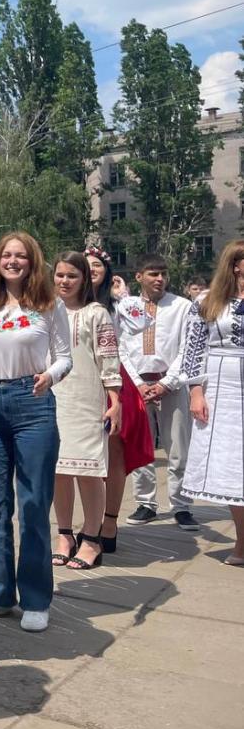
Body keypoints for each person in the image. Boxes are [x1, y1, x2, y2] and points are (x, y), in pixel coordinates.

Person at [0, 232, 71, 633]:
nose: (13, 261)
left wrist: (50, 376)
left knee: (33, 505)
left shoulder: (49, 304)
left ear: (32, 263)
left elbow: (65, 358)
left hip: (33, 404)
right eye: (7, 255)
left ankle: (35, 597)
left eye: (21, 256)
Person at [49, 252, 122, 571]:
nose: (65, 281)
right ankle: (64, 535)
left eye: (72, 276)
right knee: (59, 470)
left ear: (84, 280)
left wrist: (115, 402)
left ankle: (92, 538)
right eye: (60, 275)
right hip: (52, 397)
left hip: (87, 399)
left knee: (89, 470)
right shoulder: (46, 310)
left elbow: (109, 359)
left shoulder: (96, 313)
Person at [84, 247, 154, 554]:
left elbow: (143, 323)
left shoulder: (117, 305)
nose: (92, 270)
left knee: (114, 452)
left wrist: (123, 294)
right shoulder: (68, 302)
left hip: (113, 380)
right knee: (83, 456)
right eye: (86, 265)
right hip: (80, 380)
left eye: (97, 265)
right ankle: (89, 521)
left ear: (107, 271)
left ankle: (109, 520)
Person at [121, 254, 197, 531]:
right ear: (139, 276)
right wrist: (137, 383)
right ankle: (146, 503)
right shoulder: (126, 307)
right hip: (138, 386)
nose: (160, 278)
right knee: (142, 448)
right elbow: (120, 347)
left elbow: (188, 348)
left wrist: (167, 383)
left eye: (163, 273)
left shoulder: (182, 306)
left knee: (178, 448)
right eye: (153, 273)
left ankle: (181, 505)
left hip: (171, 385)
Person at [181, 241, 244, 563]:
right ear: (236, 264)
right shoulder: (208, 301)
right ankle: (243, 542)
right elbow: (193, 349)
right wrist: (196, 391)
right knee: (231, 464)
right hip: (222, 386)